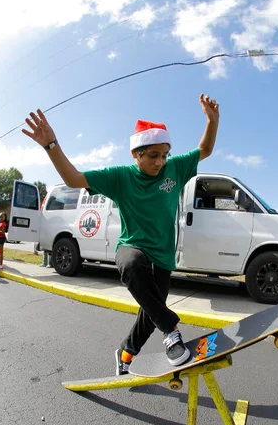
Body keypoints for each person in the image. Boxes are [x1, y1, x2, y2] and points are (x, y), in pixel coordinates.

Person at [22, 93, 219, 375]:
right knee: (131, 267)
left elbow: (205, 149)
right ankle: (172, 332)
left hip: (163, 255)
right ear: (135, 154)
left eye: (164, 155)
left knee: (150, 314)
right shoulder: (120, 176)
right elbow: (73, 178)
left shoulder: (175, 168)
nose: (160, 162)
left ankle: (125, 354)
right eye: (153, 156)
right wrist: (51, 145)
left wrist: (213, 121)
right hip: (133, 246)